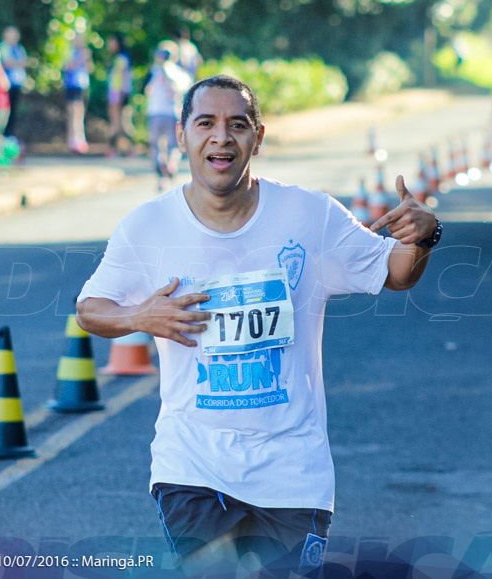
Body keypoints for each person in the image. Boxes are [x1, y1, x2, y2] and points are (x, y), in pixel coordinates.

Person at [76, 74, 440, 576]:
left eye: (237, 125)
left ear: (258, 137)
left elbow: (395, 272)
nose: (221, 137)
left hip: (293, 467)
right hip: (193, 461)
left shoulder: (310, 215)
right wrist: (140, 316)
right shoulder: (147, 226)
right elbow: (90, 308)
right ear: (181, 135)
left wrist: (424, 236)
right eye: (205, 123)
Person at [145, 41, 193, 191]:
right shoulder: (175, 72)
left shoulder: (159, 71)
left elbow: (147, 89)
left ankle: (163, 173)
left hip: (159, 112)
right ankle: (168, 168)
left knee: (159, 145)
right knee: (172, 145)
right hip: (169, 112)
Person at [62, 32, 93, 154]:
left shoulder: (85, 53)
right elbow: (68, 66)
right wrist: (81, 59)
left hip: (82, 85)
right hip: (71, 85)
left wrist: (87, 59)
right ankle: (72, 139)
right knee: (73, 112)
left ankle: (80, 138)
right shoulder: (70, 52)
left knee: (80, 112)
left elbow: (90, 69)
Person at [106, 33, 135, 156]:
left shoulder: (121, 59)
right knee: (118, 122)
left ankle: (126, 148)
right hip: (116, 93)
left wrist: (121, 95)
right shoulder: (120, 58)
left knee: (120, 122)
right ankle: (121, 148)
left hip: (118, 93)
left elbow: (122, 78)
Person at [0, 26, 27, 143]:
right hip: (5, 85)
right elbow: (7, 62)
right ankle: (1, 134)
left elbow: (24, 63)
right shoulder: (3, 47)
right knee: (3, 110)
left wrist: (16, 63)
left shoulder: (19, 48)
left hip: (16, 84)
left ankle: (10, 134)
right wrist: (18, 63)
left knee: (13, 109)